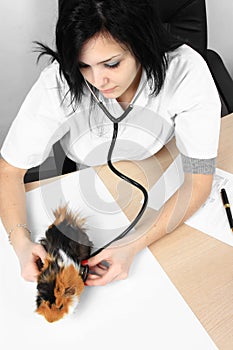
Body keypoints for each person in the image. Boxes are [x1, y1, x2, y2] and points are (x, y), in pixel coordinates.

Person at [0, 0, 221, 286]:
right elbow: (9, 170)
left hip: (154, 166)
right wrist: (20, 241)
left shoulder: (186, 70)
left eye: (112, 64)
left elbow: (199, 181)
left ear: (142, 44)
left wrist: (132, 245)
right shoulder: (59, 80)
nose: (98, 80)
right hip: (84, 175)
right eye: (84, 66)